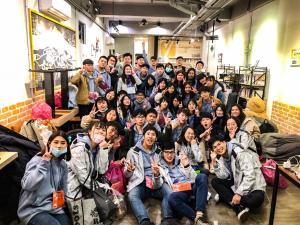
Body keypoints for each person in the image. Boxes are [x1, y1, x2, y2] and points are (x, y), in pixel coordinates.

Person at [18, 131, 72, 225]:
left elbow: (63, 189)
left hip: (53, 207)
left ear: (67, 146)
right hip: (33, 209)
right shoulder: (37, 160)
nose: (59, 146)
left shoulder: (63, 165)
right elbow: (27, 185)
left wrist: (62, 206)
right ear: (49, 144)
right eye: (56, 142)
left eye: (63, 143)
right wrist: (44, 163)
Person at [125, 125, 175, 225]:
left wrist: (156, 174)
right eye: (148, 134)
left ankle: (167, 219)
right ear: (143, 136)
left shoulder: (159, 152)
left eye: (153, 134)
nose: (150, 136)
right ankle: (144, 221)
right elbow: (127, 175)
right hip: (140, 183)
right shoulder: (133, 151)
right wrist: (129, 170)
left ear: (156, 138)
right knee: (132, 196)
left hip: (156, 183)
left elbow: (163, 171)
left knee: (170, 193)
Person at [209, 135, 266, 222]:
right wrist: (214, 162)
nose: (218, 148)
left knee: (257, 200)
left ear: (224, 142)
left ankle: (226, 197)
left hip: (254, 185)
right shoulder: (222, 157)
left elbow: (250, 176)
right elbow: (224, 176)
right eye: (215, 147)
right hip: (237, 182)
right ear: (213, 151)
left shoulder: (239, 153)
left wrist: (239, 193)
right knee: (215, 181)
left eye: (219, 144)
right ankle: (238, 208)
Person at [159, 143, 210, 225]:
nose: (169, 155)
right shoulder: (160, 167)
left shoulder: (181, 160)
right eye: (167, 152)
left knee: (202, 176)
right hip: (180, 191)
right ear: (162, 153)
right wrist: (156, 174)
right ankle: (197, 220)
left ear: (174, 153)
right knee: (172, 197)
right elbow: (159, 184)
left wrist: (187, 166)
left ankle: (200, 213)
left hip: (191, 186)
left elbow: (194, 178)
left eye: (171, 152)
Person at [67, 121, 110, 199]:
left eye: (103, 130)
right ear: (89, 132)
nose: (100, 131)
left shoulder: (99, 148)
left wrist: (104, 150)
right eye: (97, 128)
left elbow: (102, 170)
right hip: (74, 186)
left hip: (87, 184)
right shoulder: (79, 148)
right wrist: (100, 187)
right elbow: (82, 176)